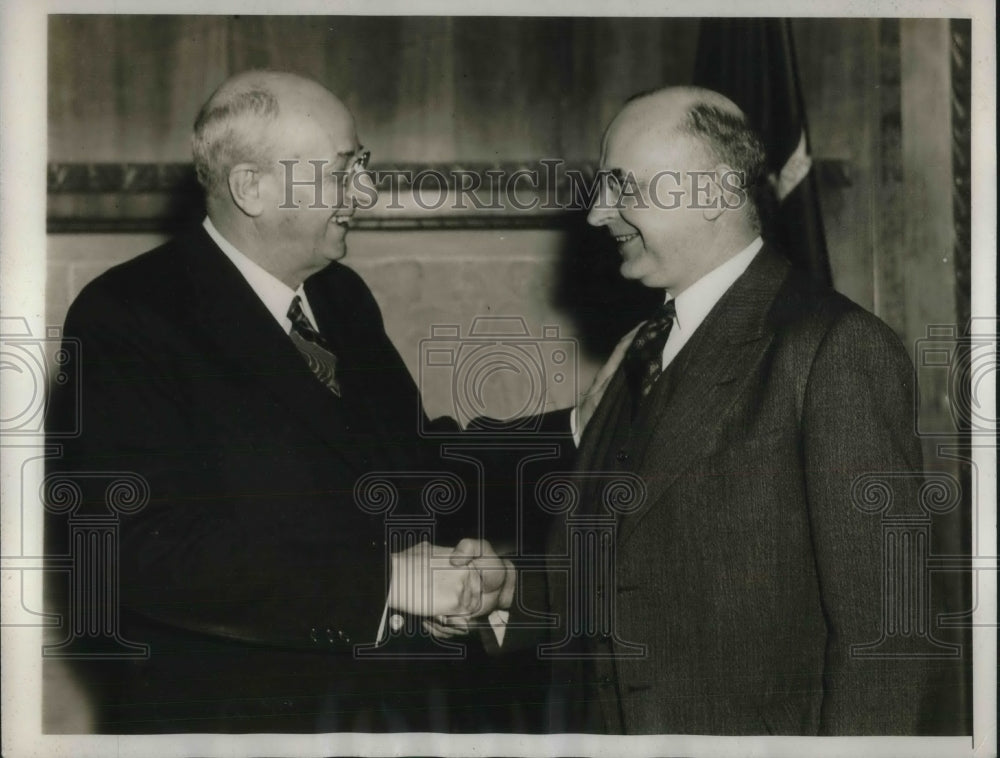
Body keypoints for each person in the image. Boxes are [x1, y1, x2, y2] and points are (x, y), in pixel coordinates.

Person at [450, 86, 935, 735]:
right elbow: (640, 574)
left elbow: (886, 642)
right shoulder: (644, 348)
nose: (598, 214)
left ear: (712, 192)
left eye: (623, 187)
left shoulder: (835, 351)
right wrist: (512, 589)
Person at [44, 70, 503, 733]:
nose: (365, 193)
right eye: (342, 171)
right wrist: (384, 585)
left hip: (385, 712)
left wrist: (570, 431)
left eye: (362, 166)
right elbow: (133, 552)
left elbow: (411, 465)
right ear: (251, 188)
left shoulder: (340, 296)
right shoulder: (128, 315)